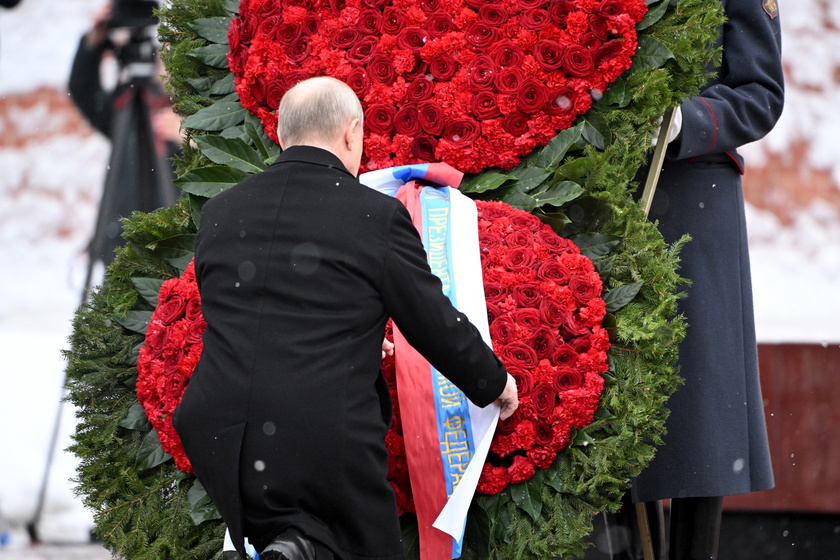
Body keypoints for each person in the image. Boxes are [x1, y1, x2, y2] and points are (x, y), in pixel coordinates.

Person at [172, 76, 519, 560]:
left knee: (295, 536)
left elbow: (247, 311)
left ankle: (292, 549)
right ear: (352, 132)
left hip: (219, 427)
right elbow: (430, 319)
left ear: (281, 134)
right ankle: (297, 548)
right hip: (319, 430)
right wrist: (494, 382)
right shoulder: (372, 215)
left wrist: (353, 333)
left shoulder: (222, 211)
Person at [608, 1, 785, 559]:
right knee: (603, 408)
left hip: (692, 199)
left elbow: (760, 93)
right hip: (599, 193)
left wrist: (685, 120)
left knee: (701, 418)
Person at [68, 1, 181, 266]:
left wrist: (187, 133)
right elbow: (83, 90)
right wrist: (93, 42)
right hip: (123, 239)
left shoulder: (184, 113)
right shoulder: (123, 109)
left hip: (175, 240)